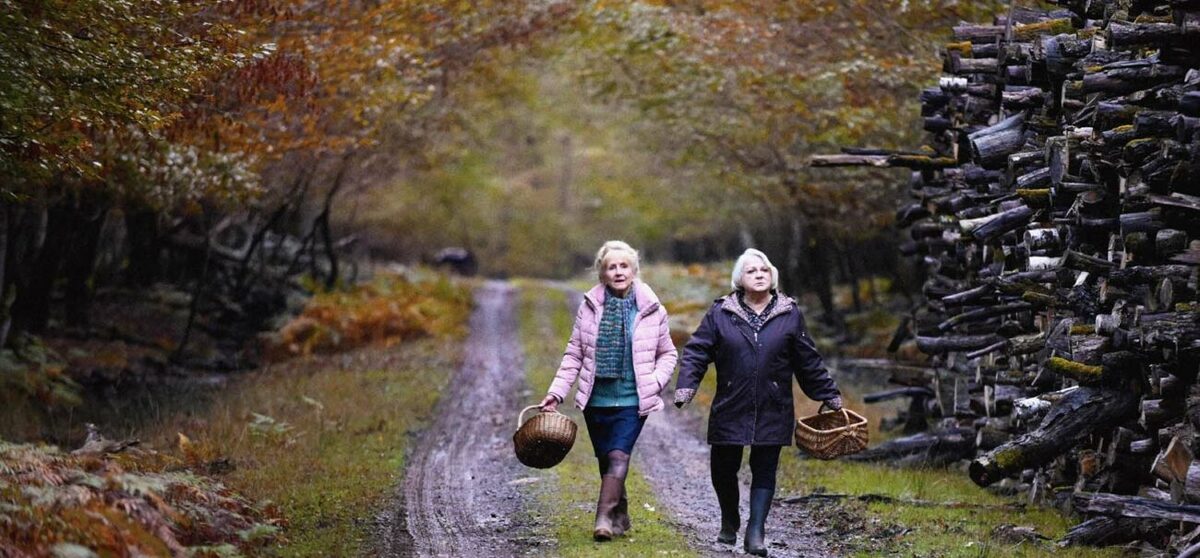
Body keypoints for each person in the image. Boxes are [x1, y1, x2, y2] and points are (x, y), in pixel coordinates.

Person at [674, 248, 842, 557]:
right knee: (723, 467)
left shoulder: (789, 312)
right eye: (752, 271)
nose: (759, 274)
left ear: (773, 275)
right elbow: (697, 351)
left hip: (773, 403)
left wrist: (828, 394)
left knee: (765, 467)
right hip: (730, 402)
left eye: (764, 269)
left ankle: (756, 532)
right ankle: (729, 518)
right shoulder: (721, 312)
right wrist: (686, 386)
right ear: (740, 279)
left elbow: (807, 359)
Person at [539, 240, 678, 541]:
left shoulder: (652, 309)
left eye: (624, 266)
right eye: (611, 267)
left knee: (619, 456)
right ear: (602, 274)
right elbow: (574, 353)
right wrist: (557, 392)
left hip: (632, 399)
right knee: (607, 460)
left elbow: (668, 354)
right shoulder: (589, 308)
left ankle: (602, 518)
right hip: (596, 400)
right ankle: (621, 513)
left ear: (634, 270)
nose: (618, 272)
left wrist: (654, 383)